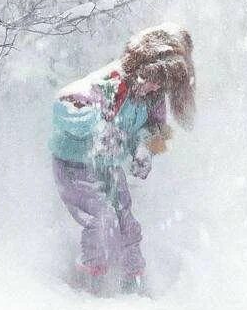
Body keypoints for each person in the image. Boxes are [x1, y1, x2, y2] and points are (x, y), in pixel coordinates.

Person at [49, 24, 195, 295]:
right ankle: (90, 284)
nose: (154, 88)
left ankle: (132, 283)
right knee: (102, 219)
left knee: (126, 223)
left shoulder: (152, 97)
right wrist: (97, 127)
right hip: (75, 165)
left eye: (160, 85)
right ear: (141, 68)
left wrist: (145, 149)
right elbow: (63, 105)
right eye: (151, 80)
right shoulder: (110, 83)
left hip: (109, 166)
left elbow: (156, 128)